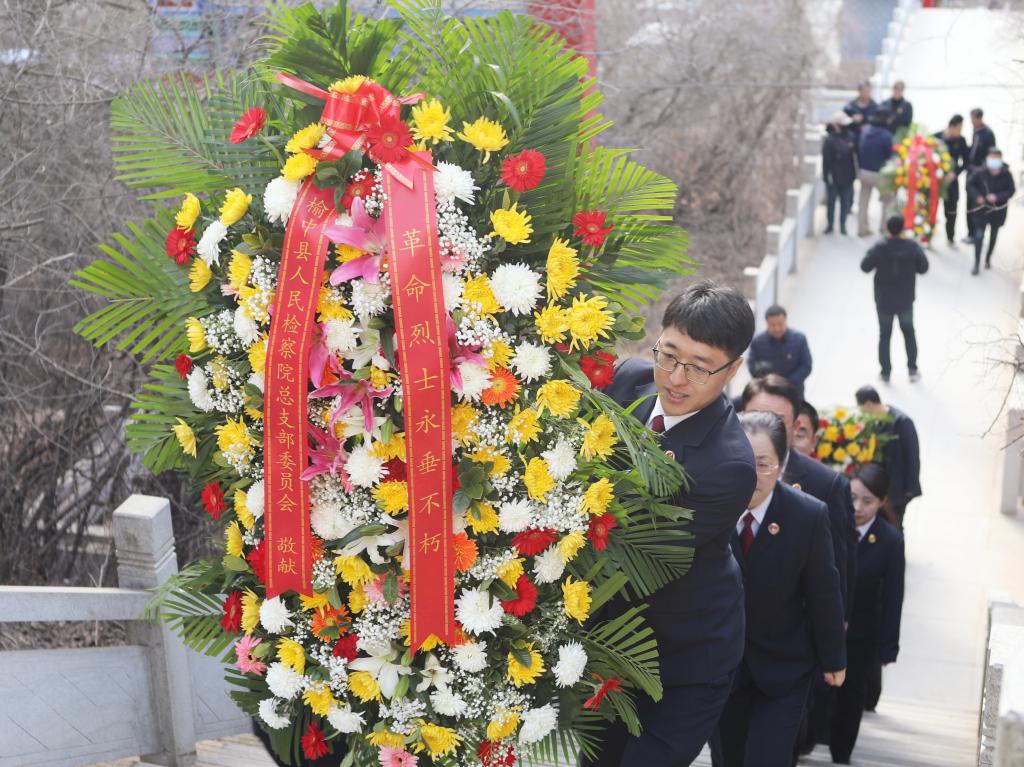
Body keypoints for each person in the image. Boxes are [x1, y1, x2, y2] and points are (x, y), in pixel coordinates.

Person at [586, 280, 757, 767]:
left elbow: (633, 551)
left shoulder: (730, 465)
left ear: (733, 369)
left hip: (686, 659)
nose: (677, 379)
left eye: (700, 367)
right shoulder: (626, 380)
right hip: (612, 644)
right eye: (669, 355)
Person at [712, 411, 846, 767]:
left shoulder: (807, 515)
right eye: (743, 462)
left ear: (781, 465)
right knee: (728, 757)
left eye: (763, 464)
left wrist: (834, 658)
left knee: (767, 756)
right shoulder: (710, 506)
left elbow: (824, 592)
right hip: (721, 666)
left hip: (784, 668)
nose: (752, 475)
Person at [742, 375, 856, 622]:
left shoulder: (826, 485)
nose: (763, 427)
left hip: (787, 632)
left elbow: (834, 577)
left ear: (795, 428)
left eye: (777, 420)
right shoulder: (715, 472)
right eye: (755, 416)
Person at [829, 464, 905, 765]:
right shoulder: (828, 521)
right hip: (824, 624)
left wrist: (888, 646)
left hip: (861, 634)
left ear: (882, 502)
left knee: (851, 694)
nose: (858, 507)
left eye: (868, 501)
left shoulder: (890, 541)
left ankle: (841, 753)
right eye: (853, 497)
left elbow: (893, 597)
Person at [861, 215, 929, 383]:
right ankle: (912, 369)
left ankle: (885, 372)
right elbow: (924, 268)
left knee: (884, 335)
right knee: (909, 333)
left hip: (884, 300)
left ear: (887, 227)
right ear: (903, 228)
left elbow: (865, 266)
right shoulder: (912, 247)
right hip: (905, 300)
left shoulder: (880, 247)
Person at [855, 386, 921, 529]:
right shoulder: (873, 421)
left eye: (863, 409)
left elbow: (912, 456)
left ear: (869, 404)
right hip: (880, 486)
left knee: (895, 523)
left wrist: (910, 487)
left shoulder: (902, 422)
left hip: (898, 488)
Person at [966, 147, 1016, 274]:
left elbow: (1011, 190)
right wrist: (978, 196)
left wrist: (998, 197)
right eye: (991, 157)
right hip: (981, 210)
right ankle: (976, 263)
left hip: (997, 211)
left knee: (993, 235)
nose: (994, 160)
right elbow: (970, 185)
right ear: (987, 158)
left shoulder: (1006, 174)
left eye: (996, 157)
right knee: (978, 236)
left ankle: (988, 258)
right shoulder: (979, 172)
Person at [746, 305, 813, 395]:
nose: (777, 329)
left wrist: (788, 383)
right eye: (772, 325)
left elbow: (806, 365)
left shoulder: (799, 339)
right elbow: (752, 366)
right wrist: (768, 382)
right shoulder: (757, 342)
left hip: (794, 392)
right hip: (767, 392)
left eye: (780, 324)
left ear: (785, 321)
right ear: (766, 323)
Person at [857, 110, 894, 237]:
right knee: (887, 201)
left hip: (864, 172)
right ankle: (884, 228)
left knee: (863, 202)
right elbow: (890, 155)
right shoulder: (886, 135)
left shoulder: (865, 130)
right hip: (880, 174)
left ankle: (862, 229)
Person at [934, 115, 969, 245]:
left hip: (951, 181)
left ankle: (950, 236)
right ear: (951, 127)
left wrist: (955, 173)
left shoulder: (961, 140)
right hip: (936, 180)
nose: (960, 131)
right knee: (931, 206)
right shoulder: (937, 136)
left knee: (951, 210)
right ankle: (927, 233)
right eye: (959, 128)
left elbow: (966, 161)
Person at [964, 108, 997, 242]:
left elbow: (991, 154)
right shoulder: (975, 130)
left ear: (978, 118)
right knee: (968, 202)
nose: (971, 121)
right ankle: (970, 233)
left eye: (972, 119)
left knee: (977, 204)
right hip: (971, 170)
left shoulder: (988, 133)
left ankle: (976, 235)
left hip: (980, 173)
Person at [822, 112, 858, 235]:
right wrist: (826, 176)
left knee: (845, 203)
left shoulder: (851, 137)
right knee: (831, 203)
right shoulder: (830, 140)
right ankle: (830, 225)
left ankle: (843, 225)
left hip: (848, 176)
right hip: (834, 177)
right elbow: (826, 161)